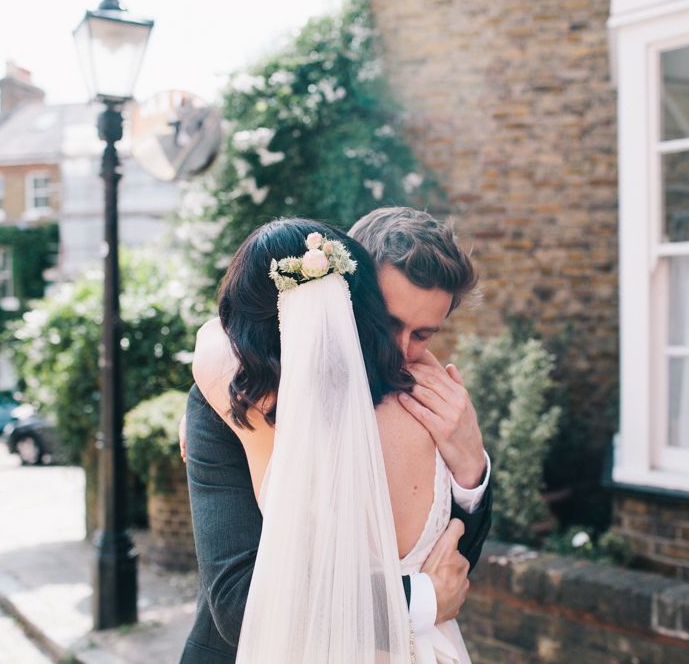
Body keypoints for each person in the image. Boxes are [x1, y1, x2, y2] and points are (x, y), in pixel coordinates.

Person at [180, 210, 492, 663]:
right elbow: (238, 599)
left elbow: (452, 569)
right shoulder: (231, 392)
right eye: (387, 324)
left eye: (423, 334)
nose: (402, 351)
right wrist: (419, 601)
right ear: (350, 295)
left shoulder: (437, 402)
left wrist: (471, 469)